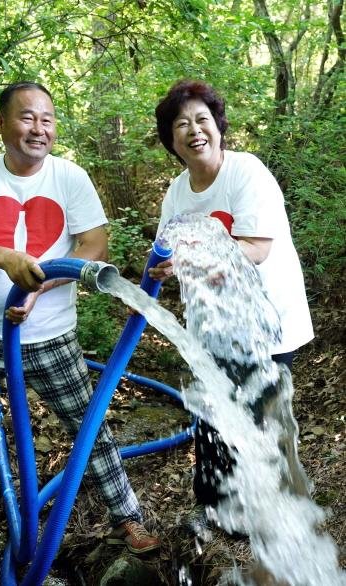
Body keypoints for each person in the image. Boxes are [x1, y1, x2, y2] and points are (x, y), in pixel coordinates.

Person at [0, 81, 159, 555]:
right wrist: (8, 260)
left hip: (52, 337)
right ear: (1, 124)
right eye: (27, 117)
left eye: (47, 119)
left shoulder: (70, 177)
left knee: (89, 428)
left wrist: (40, 286)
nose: (38, 128)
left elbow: (94, 246)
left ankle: (127, 517)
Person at [149, 79, 314, 535]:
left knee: (260, 415)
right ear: (172, 140)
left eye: (203, 119)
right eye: (182, 124)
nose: (194, 130)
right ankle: (216, 507)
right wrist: (160, 276)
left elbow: (256, 248)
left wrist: (197, 262)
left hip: (266, 322)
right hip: (213, 325)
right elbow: (164, 253)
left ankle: (274, 512)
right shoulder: (178, 192)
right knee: (211, 414)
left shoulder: (247, 173)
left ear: (218, 127)